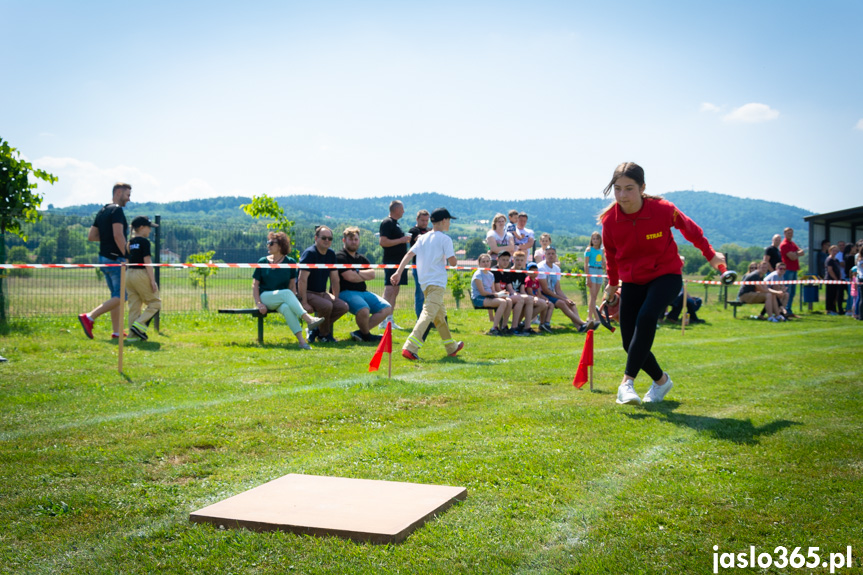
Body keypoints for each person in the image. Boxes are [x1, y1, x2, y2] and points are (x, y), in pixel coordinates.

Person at [599, 162, 725, 406]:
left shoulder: (663, 209)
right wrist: (612, 285)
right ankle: (661, 381)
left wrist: (710, 255)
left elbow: (692, 231)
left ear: (642, 187)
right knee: (629, 342)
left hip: (665, 276)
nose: (622, 196)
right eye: (617, 189)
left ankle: (626, 383)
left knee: (646, 318)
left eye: (629, 189)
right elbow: (611, 256)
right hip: (633, 281)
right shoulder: (609, 221)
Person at [390, 208, 464, 360]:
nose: (449, 223)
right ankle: (410, 347)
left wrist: (398, 272)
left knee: (440, 317)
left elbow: (409, 254)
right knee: (428, 314)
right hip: (437, 283)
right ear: (444, 221)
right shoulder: (445, 239)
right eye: (449, 220)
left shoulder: (422, 238)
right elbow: (453, 262)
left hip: (425, 284)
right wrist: (454, 258)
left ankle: (451, 347)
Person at [78, 182, 132, 340]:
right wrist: (127, 256)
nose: (129, 199)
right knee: (122, 296)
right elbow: (118, 235)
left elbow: (92, 236)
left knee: (116, 297)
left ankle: (116, 332)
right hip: (116, 258)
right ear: (118, 192)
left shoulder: (102, 211)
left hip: (103, 258)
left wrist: (107, 238)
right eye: (127, 195)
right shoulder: (117, 210)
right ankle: (89, 317)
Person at [253, 232, 324, 350]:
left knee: (286, 307)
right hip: (265, 297)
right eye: (268, 242)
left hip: (283, 298)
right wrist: (259, 303)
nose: (268, 245)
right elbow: (255, 285)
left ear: (280, 246)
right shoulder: (262, 261)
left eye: (271, 243)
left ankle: (302, 342)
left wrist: (295, 301)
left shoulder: (290, 262)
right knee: (286, 293)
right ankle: (309, 319)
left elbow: (292, 286)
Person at [336, 226, 392, 343]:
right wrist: (360, 275)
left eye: (356, 239)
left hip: (363, 292)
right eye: (350, 239)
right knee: (364, 309)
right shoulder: (340, 257)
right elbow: (349, 277)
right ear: (344, 240)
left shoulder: (362, 258)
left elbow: (372, 274)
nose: (353, 242)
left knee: (386, 308)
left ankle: (360, 333)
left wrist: (355, 272)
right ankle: (367, 336)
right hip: (345, 292)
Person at [298, 226, 349, 343]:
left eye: (330, 238)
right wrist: (304, 302)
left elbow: (335, 279)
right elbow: (302, 279)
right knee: (326, 306)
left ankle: (315, 329)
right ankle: (324, 335)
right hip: (307, 292)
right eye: (324, 238)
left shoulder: (331, 254)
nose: (327, 240)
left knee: (343, 306)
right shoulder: (309, 254)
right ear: (316, 238)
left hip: (321, 293)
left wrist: (335, 298)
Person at [537, 246, 591, 333]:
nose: (551, 256)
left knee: (571, 304)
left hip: (552, 294)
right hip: (542, 294)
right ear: (545, 255)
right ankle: (582, 323)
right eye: (548, 254)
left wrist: (567, 299)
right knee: (561, 303)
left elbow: (558, 289)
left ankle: (580, 328)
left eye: (552, 254)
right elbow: (545, 289)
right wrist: (563, 299)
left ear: (555, 255)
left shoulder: (557, 269)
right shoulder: (541, 267)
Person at [125, 216, 162, 341]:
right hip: (141, 274)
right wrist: (152, 280)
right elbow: (147, 261)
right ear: (141, 228)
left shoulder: (129, 242)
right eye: (148, 228)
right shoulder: (145, 242)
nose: (150, 231)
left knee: (134, 306)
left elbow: (126, 260)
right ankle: (139, 325)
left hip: (128, 274)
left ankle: (132, 337)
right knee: (155, 302)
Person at [379, 200, 411, 329]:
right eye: (402, 209)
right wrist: (401, 240)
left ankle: (389, 320)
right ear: (396, 209)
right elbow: (383, 242)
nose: (403, 211)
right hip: (391, 262)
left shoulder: (396, 224)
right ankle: (382, 319)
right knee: (389, 289)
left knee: (395, 290)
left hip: (398, 263)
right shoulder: (387, 222)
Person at [471, 253, 512, 335]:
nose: (486, 263)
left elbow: (493, 291)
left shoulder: (491, 275)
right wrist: (498, 295)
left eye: (487, 261)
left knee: (509, 300)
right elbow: (482, 292)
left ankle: (504, 326)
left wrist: (502, 294)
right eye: (483, 262)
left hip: (489, 297)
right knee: (502, 302)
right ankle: (494, 328)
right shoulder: (478, 274)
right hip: (479, 298)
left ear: (490, 263)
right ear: (479, 263)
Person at [511, 250, 546, 334]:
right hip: (511, 295)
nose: (519, 262)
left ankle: (524, 326)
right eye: (517, 260)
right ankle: (517, 327)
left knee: (543, 304)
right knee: (528, 299)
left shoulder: (523, 273)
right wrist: (528, 297)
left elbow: (522, 290)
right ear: (513, 260)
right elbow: (510, 289)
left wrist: (531, 297)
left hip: (521, 295)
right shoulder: (509, 272)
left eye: (522, 260)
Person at [408, 209, 431, 319]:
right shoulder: (413, 230)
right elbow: (418, 238)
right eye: (422, 220)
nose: (425, 223)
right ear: (417, 219)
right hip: (418, 267)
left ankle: (429, 318)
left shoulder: (429, 231)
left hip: (430, 266)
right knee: (420, 294)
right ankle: (420, 319)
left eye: (427, 220)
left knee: (431, 294)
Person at [779, 227, 804, 317]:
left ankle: (789, 310)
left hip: (794, 269)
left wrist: (795, 253)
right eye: (788, 233)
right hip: (788, 270)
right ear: (784, 234)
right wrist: (797, 253)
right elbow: (792, 257)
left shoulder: (792, 243)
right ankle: (784, 310)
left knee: (793, 292)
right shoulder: (784, 244)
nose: (790, 235)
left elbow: (802, 252)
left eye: (791, 233)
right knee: (787, 291)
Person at [584, 231, 605, 327]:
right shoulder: (589, 250)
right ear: (591, 240)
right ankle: (597, 317)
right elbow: (586, 264)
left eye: (597, 238)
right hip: (592, 271)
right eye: (593, 239)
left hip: (599, 272)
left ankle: (589, 317)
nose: (595, 240)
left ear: (600, 240)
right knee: (592, 296)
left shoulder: (601, 251)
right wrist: (588, 277)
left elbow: (603, 263)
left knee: (594, 297)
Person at [824, 245, 843, 315]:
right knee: (830, 295)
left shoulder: (836, 260)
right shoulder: (829, 260)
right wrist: (836, 279)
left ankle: (834, 309)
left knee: (835, 295)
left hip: (837, 280)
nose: (835, 252)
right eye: (833, 250)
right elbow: (830, 270)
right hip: (830, 280)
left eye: (836, 251)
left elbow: (839, 269)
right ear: (829, 251)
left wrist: (839, 278)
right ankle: (829, 310)